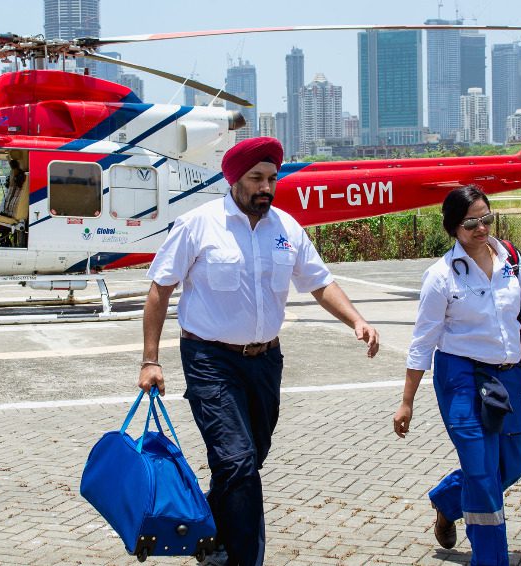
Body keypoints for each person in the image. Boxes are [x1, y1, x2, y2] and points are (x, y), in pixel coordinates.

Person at [139, 137, 380, 566]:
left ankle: (209, 528)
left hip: (266, 362)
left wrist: (356, 320)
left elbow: (320, 283)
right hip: (210, 360)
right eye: (256, 178)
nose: (266, 187)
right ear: (234, 180)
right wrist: (151, 360)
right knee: (238, 461)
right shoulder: (199, 224)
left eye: (272, 178)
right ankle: (241, 558)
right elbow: (160, 288)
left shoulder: (286, 229)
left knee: (247, 462)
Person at [392, 186, 521, 565]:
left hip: (507, 375)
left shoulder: (511, 259)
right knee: (481, 471)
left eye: (486, 218)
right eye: (470, 223)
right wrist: (406, 401)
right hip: (460, 378)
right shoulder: (440, 276)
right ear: (453, 228)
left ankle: (448, 501)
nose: (481, 229)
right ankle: (490, 559)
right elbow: (422, 342)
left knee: (511, 465)